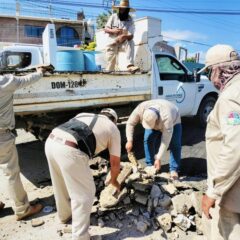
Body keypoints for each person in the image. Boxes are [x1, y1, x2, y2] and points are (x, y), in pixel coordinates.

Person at [45, 108, 121, 240]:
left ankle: (64, 215)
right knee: (85, 193)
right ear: (114, 120)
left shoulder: (84, 114)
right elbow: (115, 164)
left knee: (60, 183)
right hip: (70, 149)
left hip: (51, 141)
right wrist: (114, 180)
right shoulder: (113, 128)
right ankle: (80, 237)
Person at [198, 44, 240, 240]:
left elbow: (235, 146)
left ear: (218, 69)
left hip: (232, 193)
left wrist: (213, 192)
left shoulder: (230, 98)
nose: (210, 79)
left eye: (209, 73)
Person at [0, 67, 47, 220]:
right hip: (1, 136)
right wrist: (40, 71)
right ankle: (22, 209)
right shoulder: (5, 81)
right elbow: (27, 80)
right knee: (10, 173)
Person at [125, 99, 182, 179]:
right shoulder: (140, 109)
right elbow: (130, 123)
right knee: (148, 139)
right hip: (156, 115)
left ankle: (174, 169)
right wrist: (129, 140)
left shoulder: (167, 119)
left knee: (175, 143)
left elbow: (165, 141)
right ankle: (150, 165)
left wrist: (158, 158)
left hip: (174, 117)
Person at [104, 0, 139, 73]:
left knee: (130, 42)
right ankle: (108, 73)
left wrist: (124, 36)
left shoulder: (130, 20)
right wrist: (114, 31)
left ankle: (130, 65)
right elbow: (106, 29)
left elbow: (131, 35)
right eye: (121, 9)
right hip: (112, 43)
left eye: (124, 9)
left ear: (127, 10)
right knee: (110, 66)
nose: (122, 10)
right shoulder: (113, 16)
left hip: (123, 43)